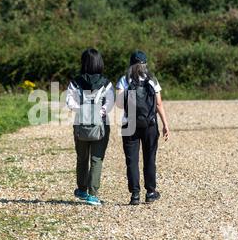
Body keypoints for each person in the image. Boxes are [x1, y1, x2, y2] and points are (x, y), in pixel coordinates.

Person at [116, 50, 170, 206]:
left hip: (129, 124)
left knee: (132, 160)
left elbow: (119, 104)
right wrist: (165, 124)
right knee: (149, 158)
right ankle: (151, 192)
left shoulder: (124, 80)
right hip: (150, 124)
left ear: (131, 64)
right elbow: (159, 104)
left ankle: (135, 195)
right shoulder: (151, 79)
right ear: (145, 64)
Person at [66, 49, 115, 206]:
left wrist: (83, 109)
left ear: (83, 63)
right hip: (101, 124)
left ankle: (82, 189)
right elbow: (110, 102)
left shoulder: (75, 82)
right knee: (96, 158)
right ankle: (93, 195)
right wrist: (99, 111)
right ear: (99, 62)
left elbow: (69, 101)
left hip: (81, 123)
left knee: (82, 157)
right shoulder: (106, 83)